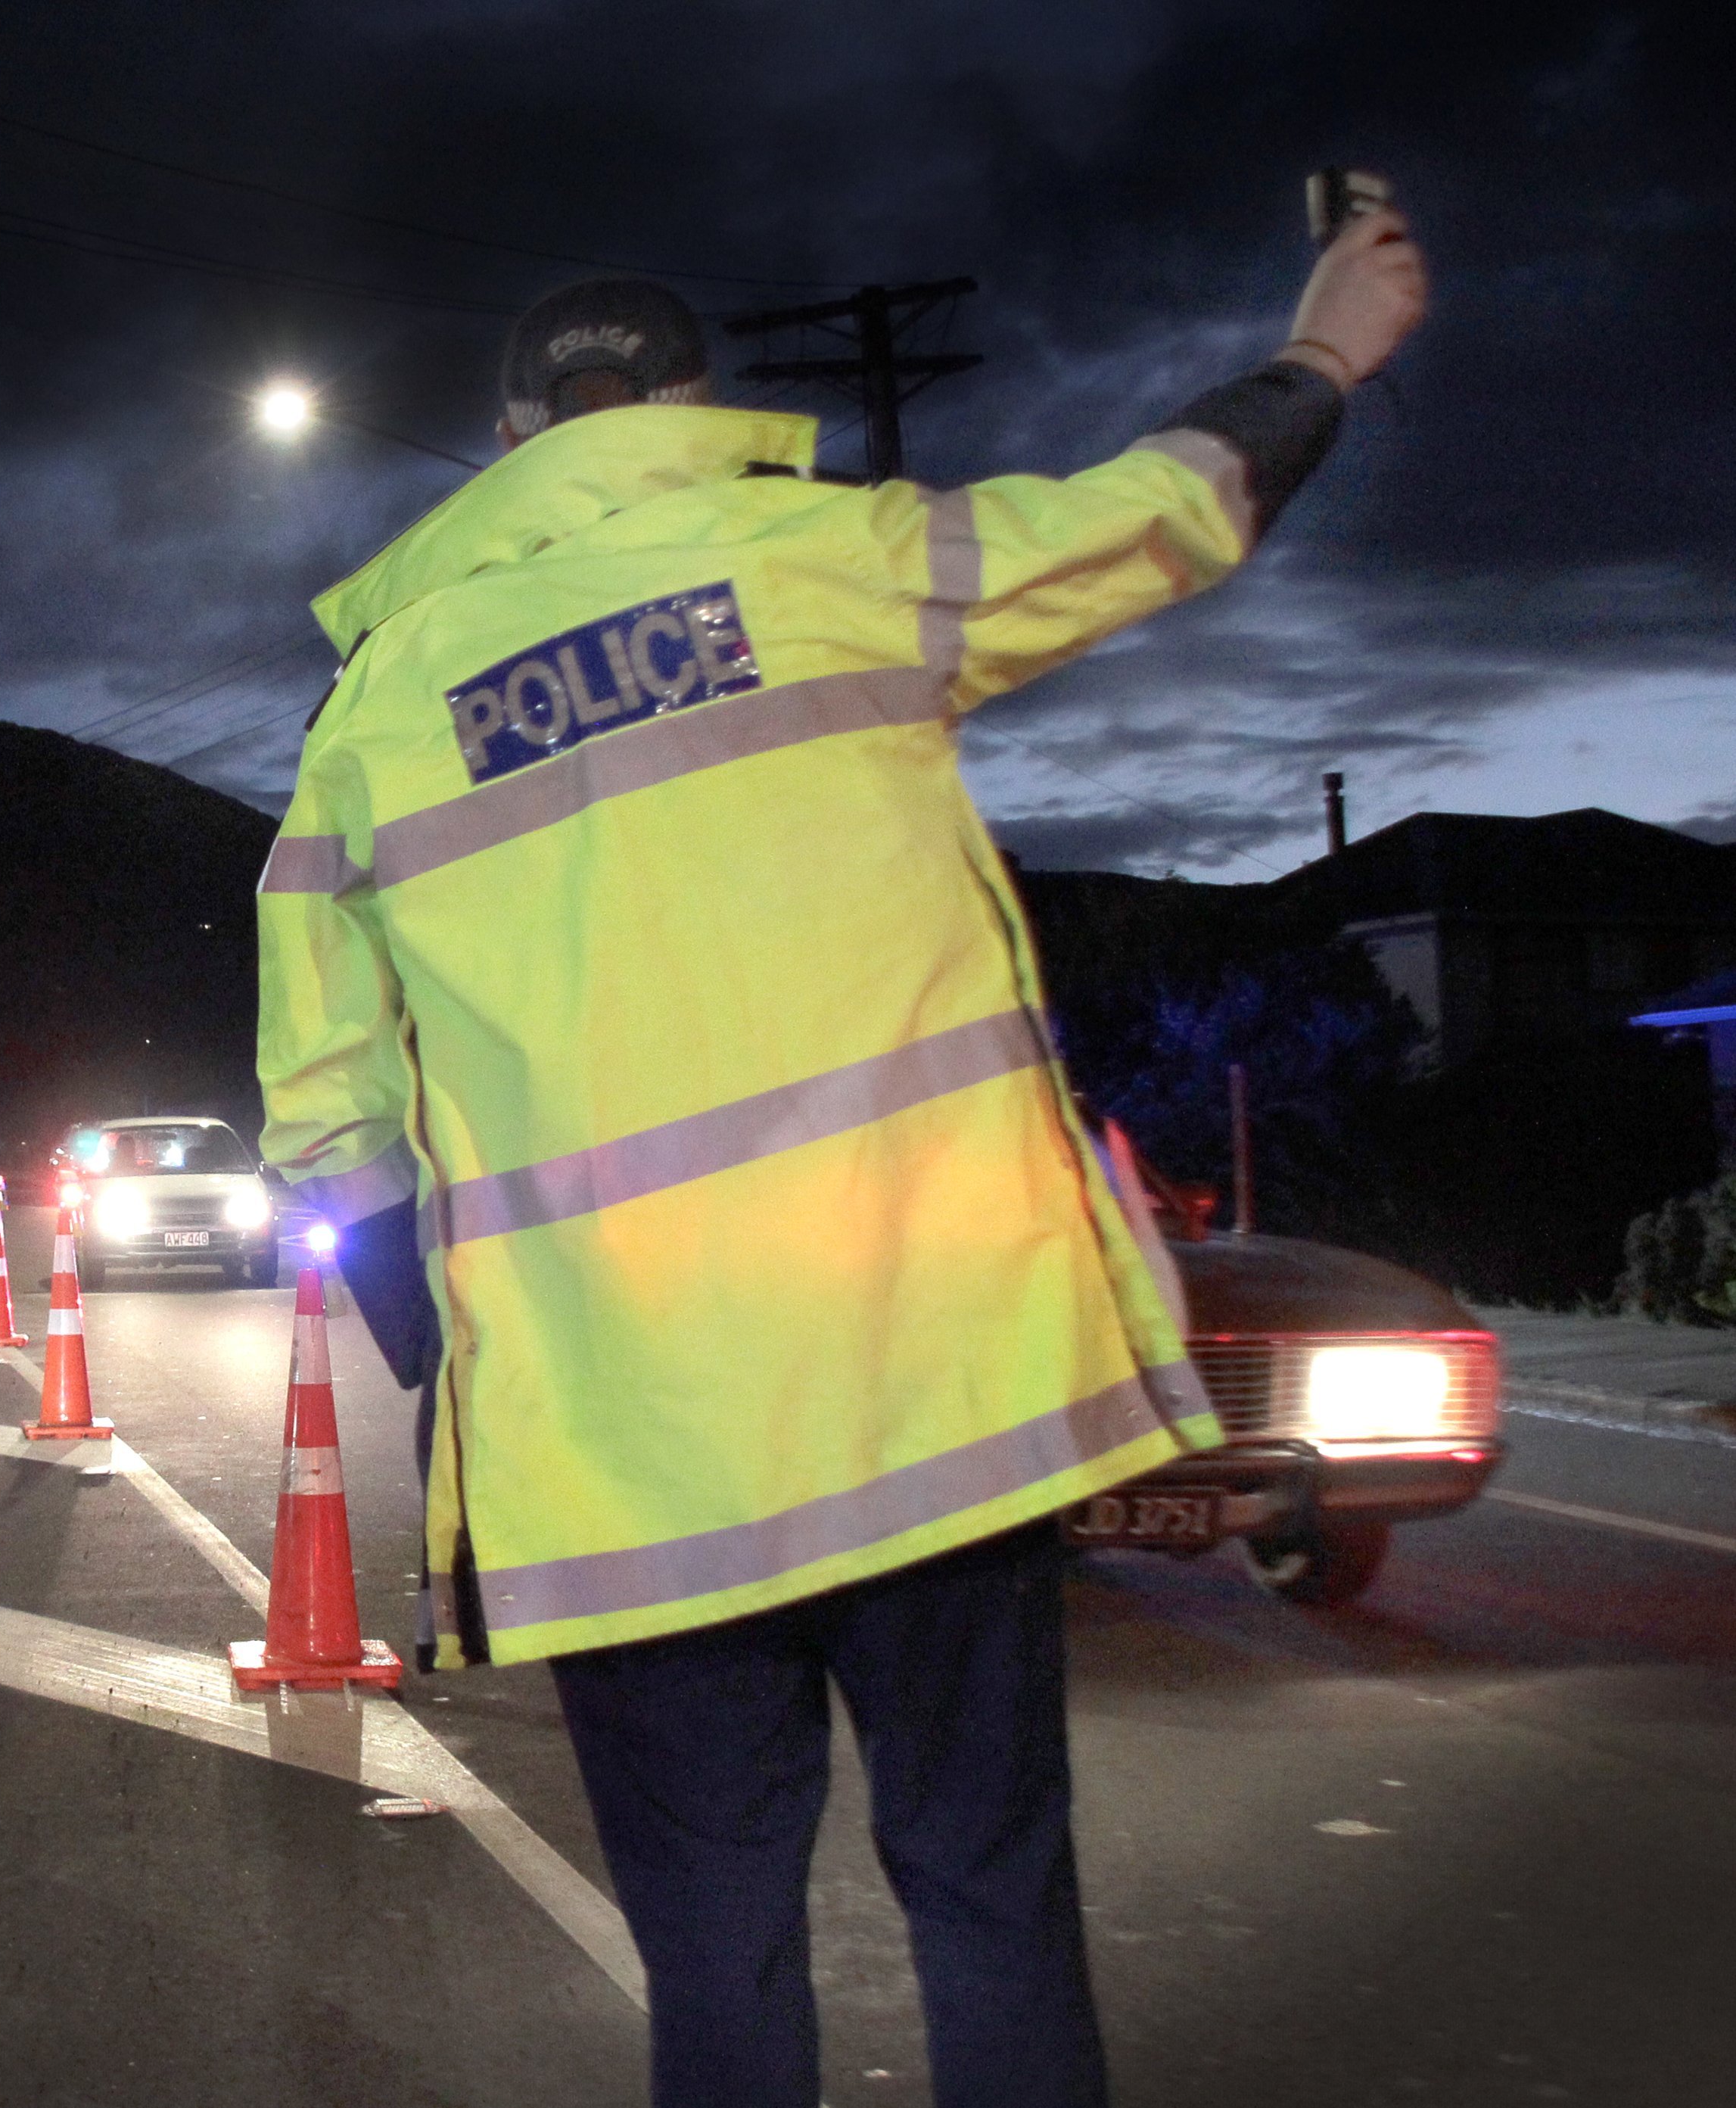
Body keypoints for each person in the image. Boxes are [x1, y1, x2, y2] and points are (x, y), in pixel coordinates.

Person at [255, 209, 1426, 2105]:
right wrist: (1324, 353)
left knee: (715, 1954)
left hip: (632, 1460)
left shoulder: (377, 711)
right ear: (701, 407)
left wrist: (462, 1350)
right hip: (923, 1403)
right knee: (987, 1895)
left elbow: (323, 1111)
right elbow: (1163, 509)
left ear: (504, 440)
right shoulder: (839, 560)